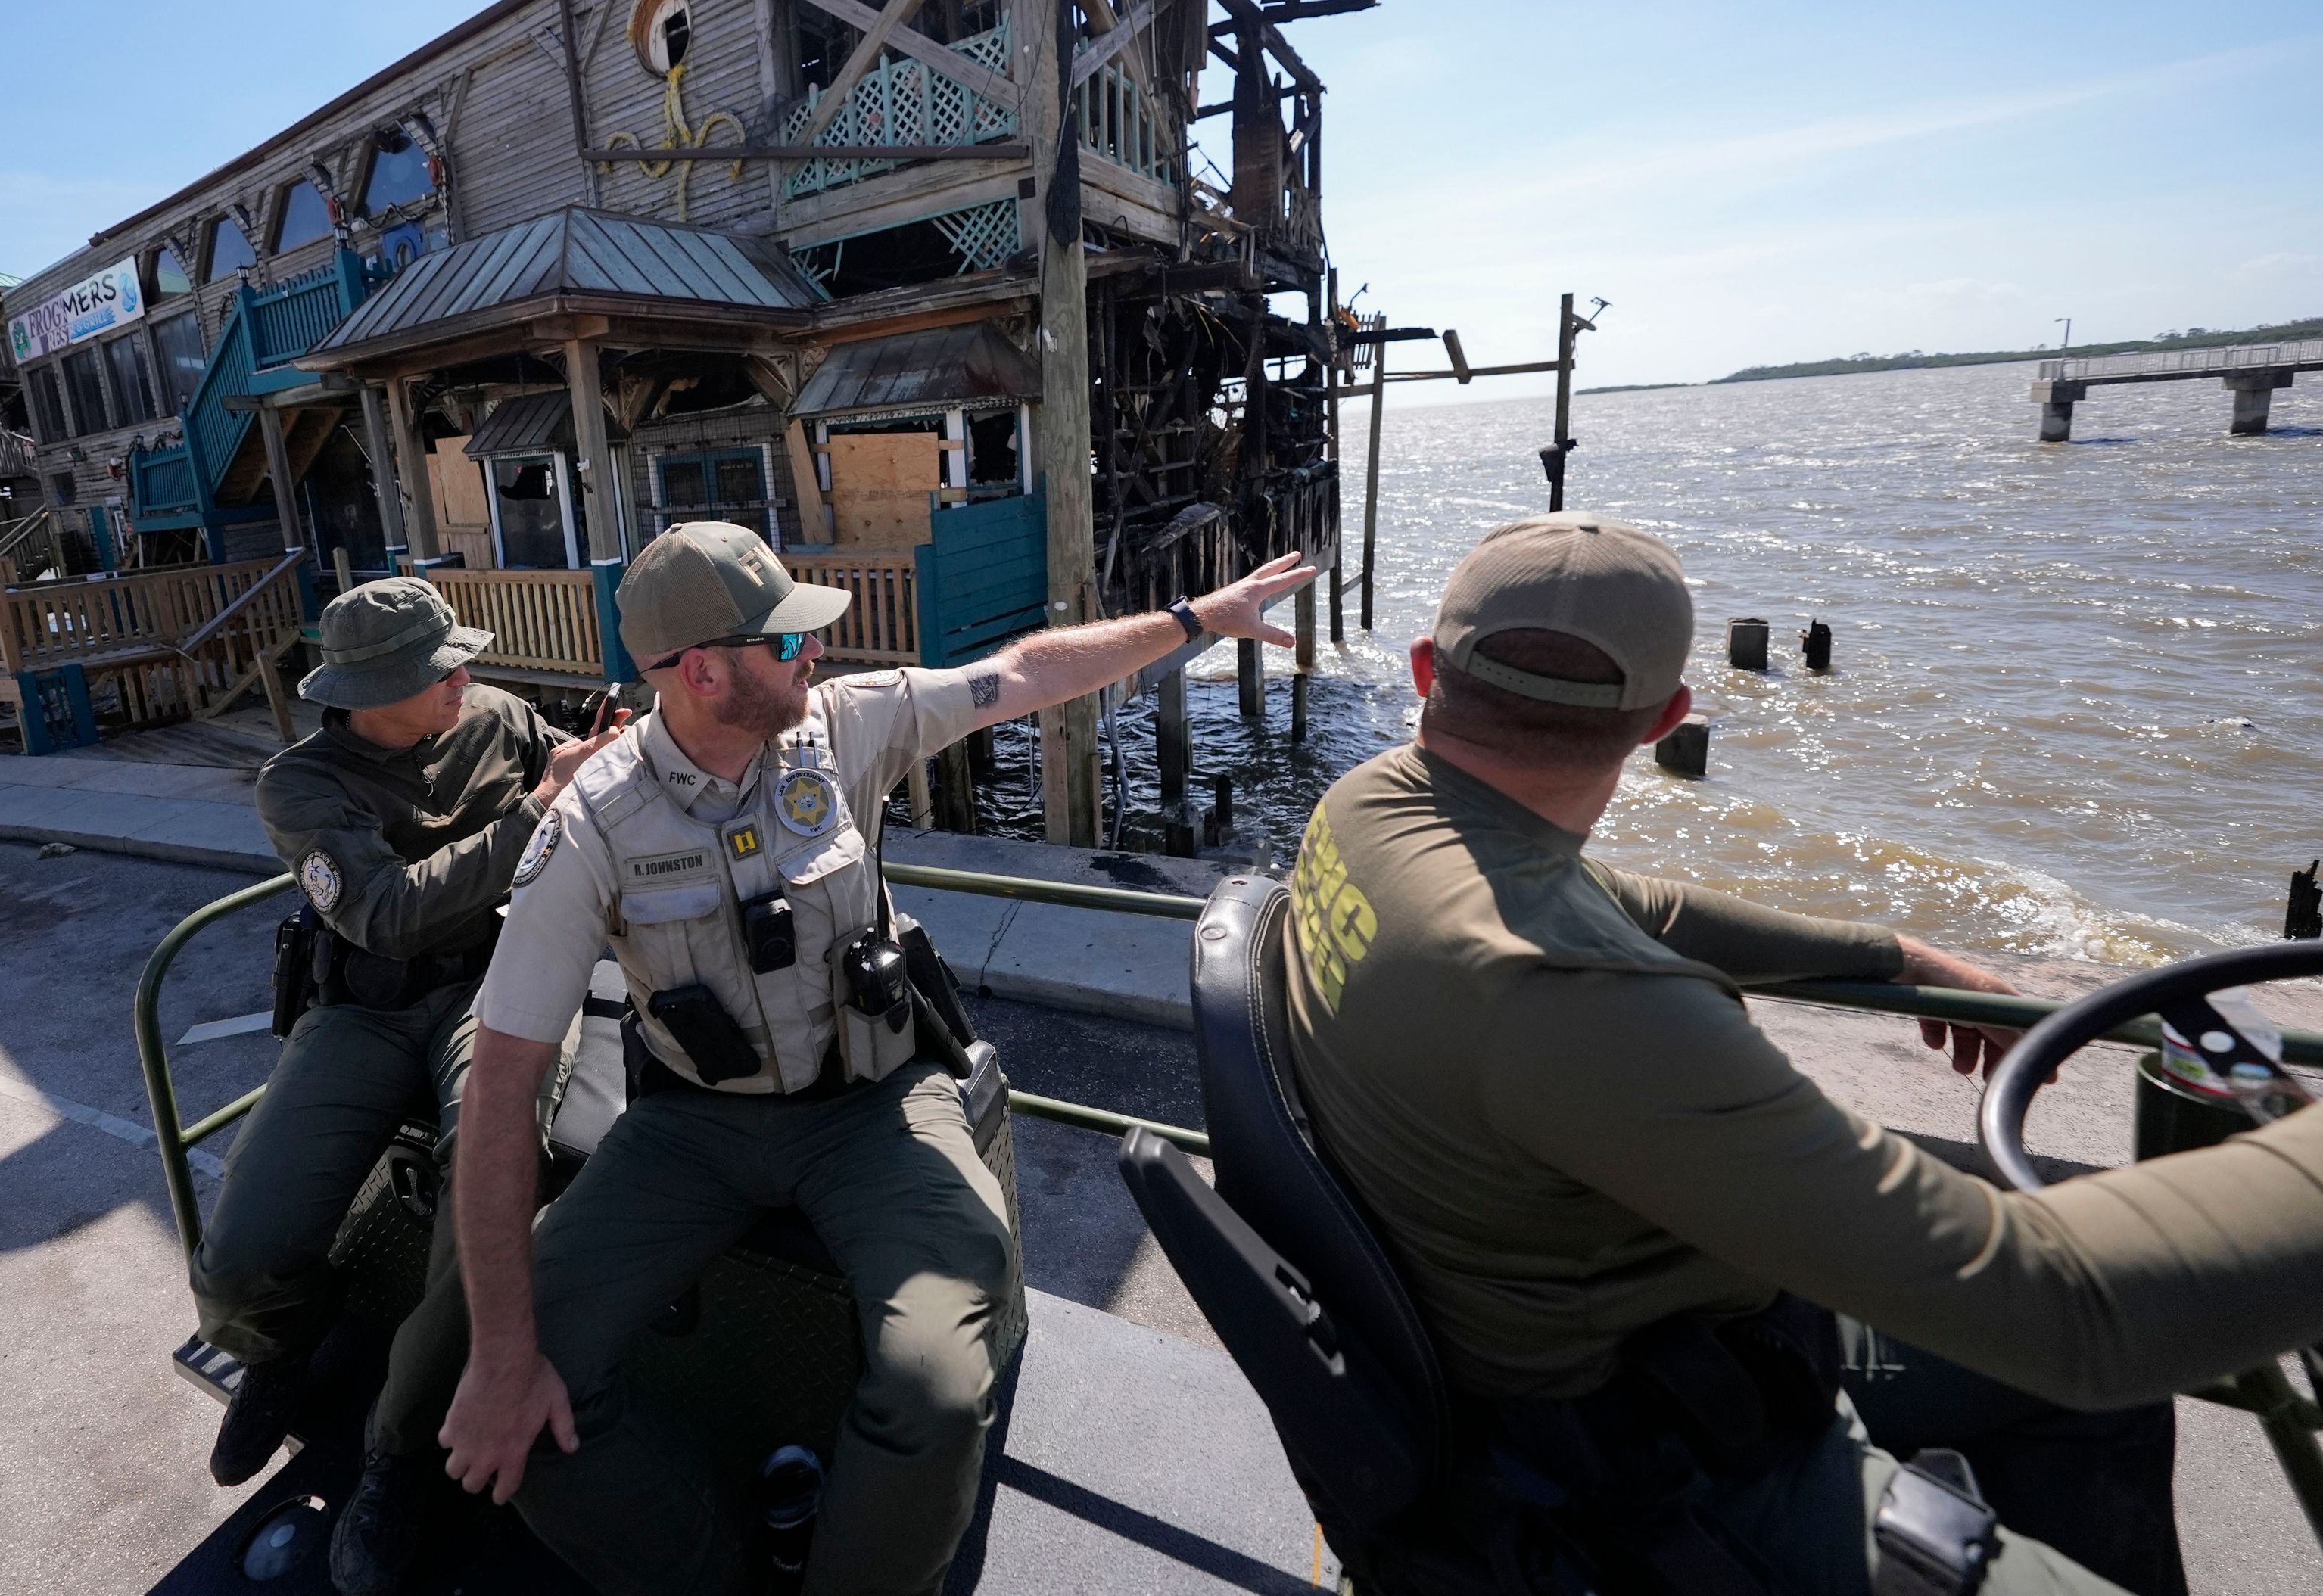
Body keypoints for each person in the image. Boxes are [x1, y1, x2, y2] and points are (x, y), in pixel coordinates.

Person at [1287, 512, 2323, 1595]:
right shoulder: (1586, 1008)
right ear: (1665, 722)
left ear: (1423, 669)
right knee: (2088, 1380)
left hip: (1490, 1366)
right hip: (1659, 1463)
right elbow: (2070, 1309)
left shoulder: (1371, 812)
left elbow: (1625, 899)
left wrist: (1896, 952)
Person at [411, 521, 1316, 1596]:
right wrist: (504, 1357)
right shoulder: (594, 826)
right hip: (692, 1128)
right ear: (702, 671)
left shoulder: (846, 727)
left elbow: (1022, 671)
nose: (816, 656)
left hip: (875, 1107)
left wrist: (1196, 619)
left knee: (936, 1388)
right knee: (516, 1406)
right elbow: (507, 1080)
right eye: (788, 644)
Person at [190, 576, 620, 1489]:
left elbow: (579, 779)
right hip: (367, 1008)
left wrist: (600, 763)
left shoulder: (498, 716)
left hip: (499, 986)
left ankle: (403, 1443)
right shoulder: (300, 787)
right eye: (443, 669)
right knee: (237, 1262)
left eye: (461, 660)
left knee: (488, 1197)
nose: (466, 676)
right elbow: (386, 915)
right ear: (375, 692)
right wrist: (541, 805)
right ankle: (283, 1342)